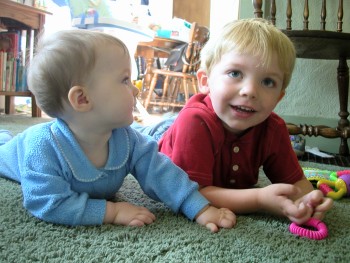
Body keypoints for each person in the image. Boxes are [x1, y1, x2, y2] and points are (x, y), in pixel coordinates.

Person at [0, 29, 236, 232]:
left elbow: (161, 173)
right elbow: (47, 203)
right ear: (82, 98)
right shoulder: (42, 148)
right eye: (124, 80)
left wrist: (199, 208)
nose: (134, 90)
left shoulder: (127, 139)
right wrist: (111, 211)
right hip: (12, 154)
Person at [135, 18, 333, 224]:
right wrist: (258, 199)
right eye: (235, 73)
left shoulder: (273, 129)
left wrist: (307, 201)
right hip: (164, 134)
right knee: (131, 135)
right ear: (205, 81)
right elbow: (192, 193)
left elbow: (296, 183)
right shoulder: (194, 121)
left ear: (278, 98)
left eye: (267, 81)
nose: (250, 91)